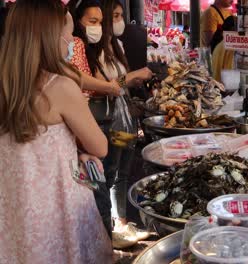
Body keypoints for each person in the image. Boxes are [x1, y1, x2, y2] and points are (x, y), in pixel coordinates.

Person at [0, 0, 112, 262]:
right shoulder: (60, 87)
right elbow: (100, 147)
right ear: (51, 38)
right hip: (55, 214)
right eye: (68, 34)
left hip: (11, 211)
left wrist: (68, 149)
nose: (72, 41)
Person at [93, 0, 152, 249]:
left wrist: (136, 82)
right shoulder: (92, 49)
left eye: (120, 15)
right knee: (111, 170)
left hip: (124, 118)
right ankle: (108, 232)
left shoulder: (115, 45)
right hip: (108, 121)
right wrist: (135, 75)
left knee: (123, 171)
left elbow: (121, 81)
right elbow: (100, 83)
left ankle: (122, 222)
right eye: (115, 16)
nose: (119, 21)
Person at [212, 16, 236, 82]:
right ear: (233, 29)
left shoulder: (221, 45)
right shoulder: (230, 46)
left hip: (218, 85)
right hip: (225, 88)